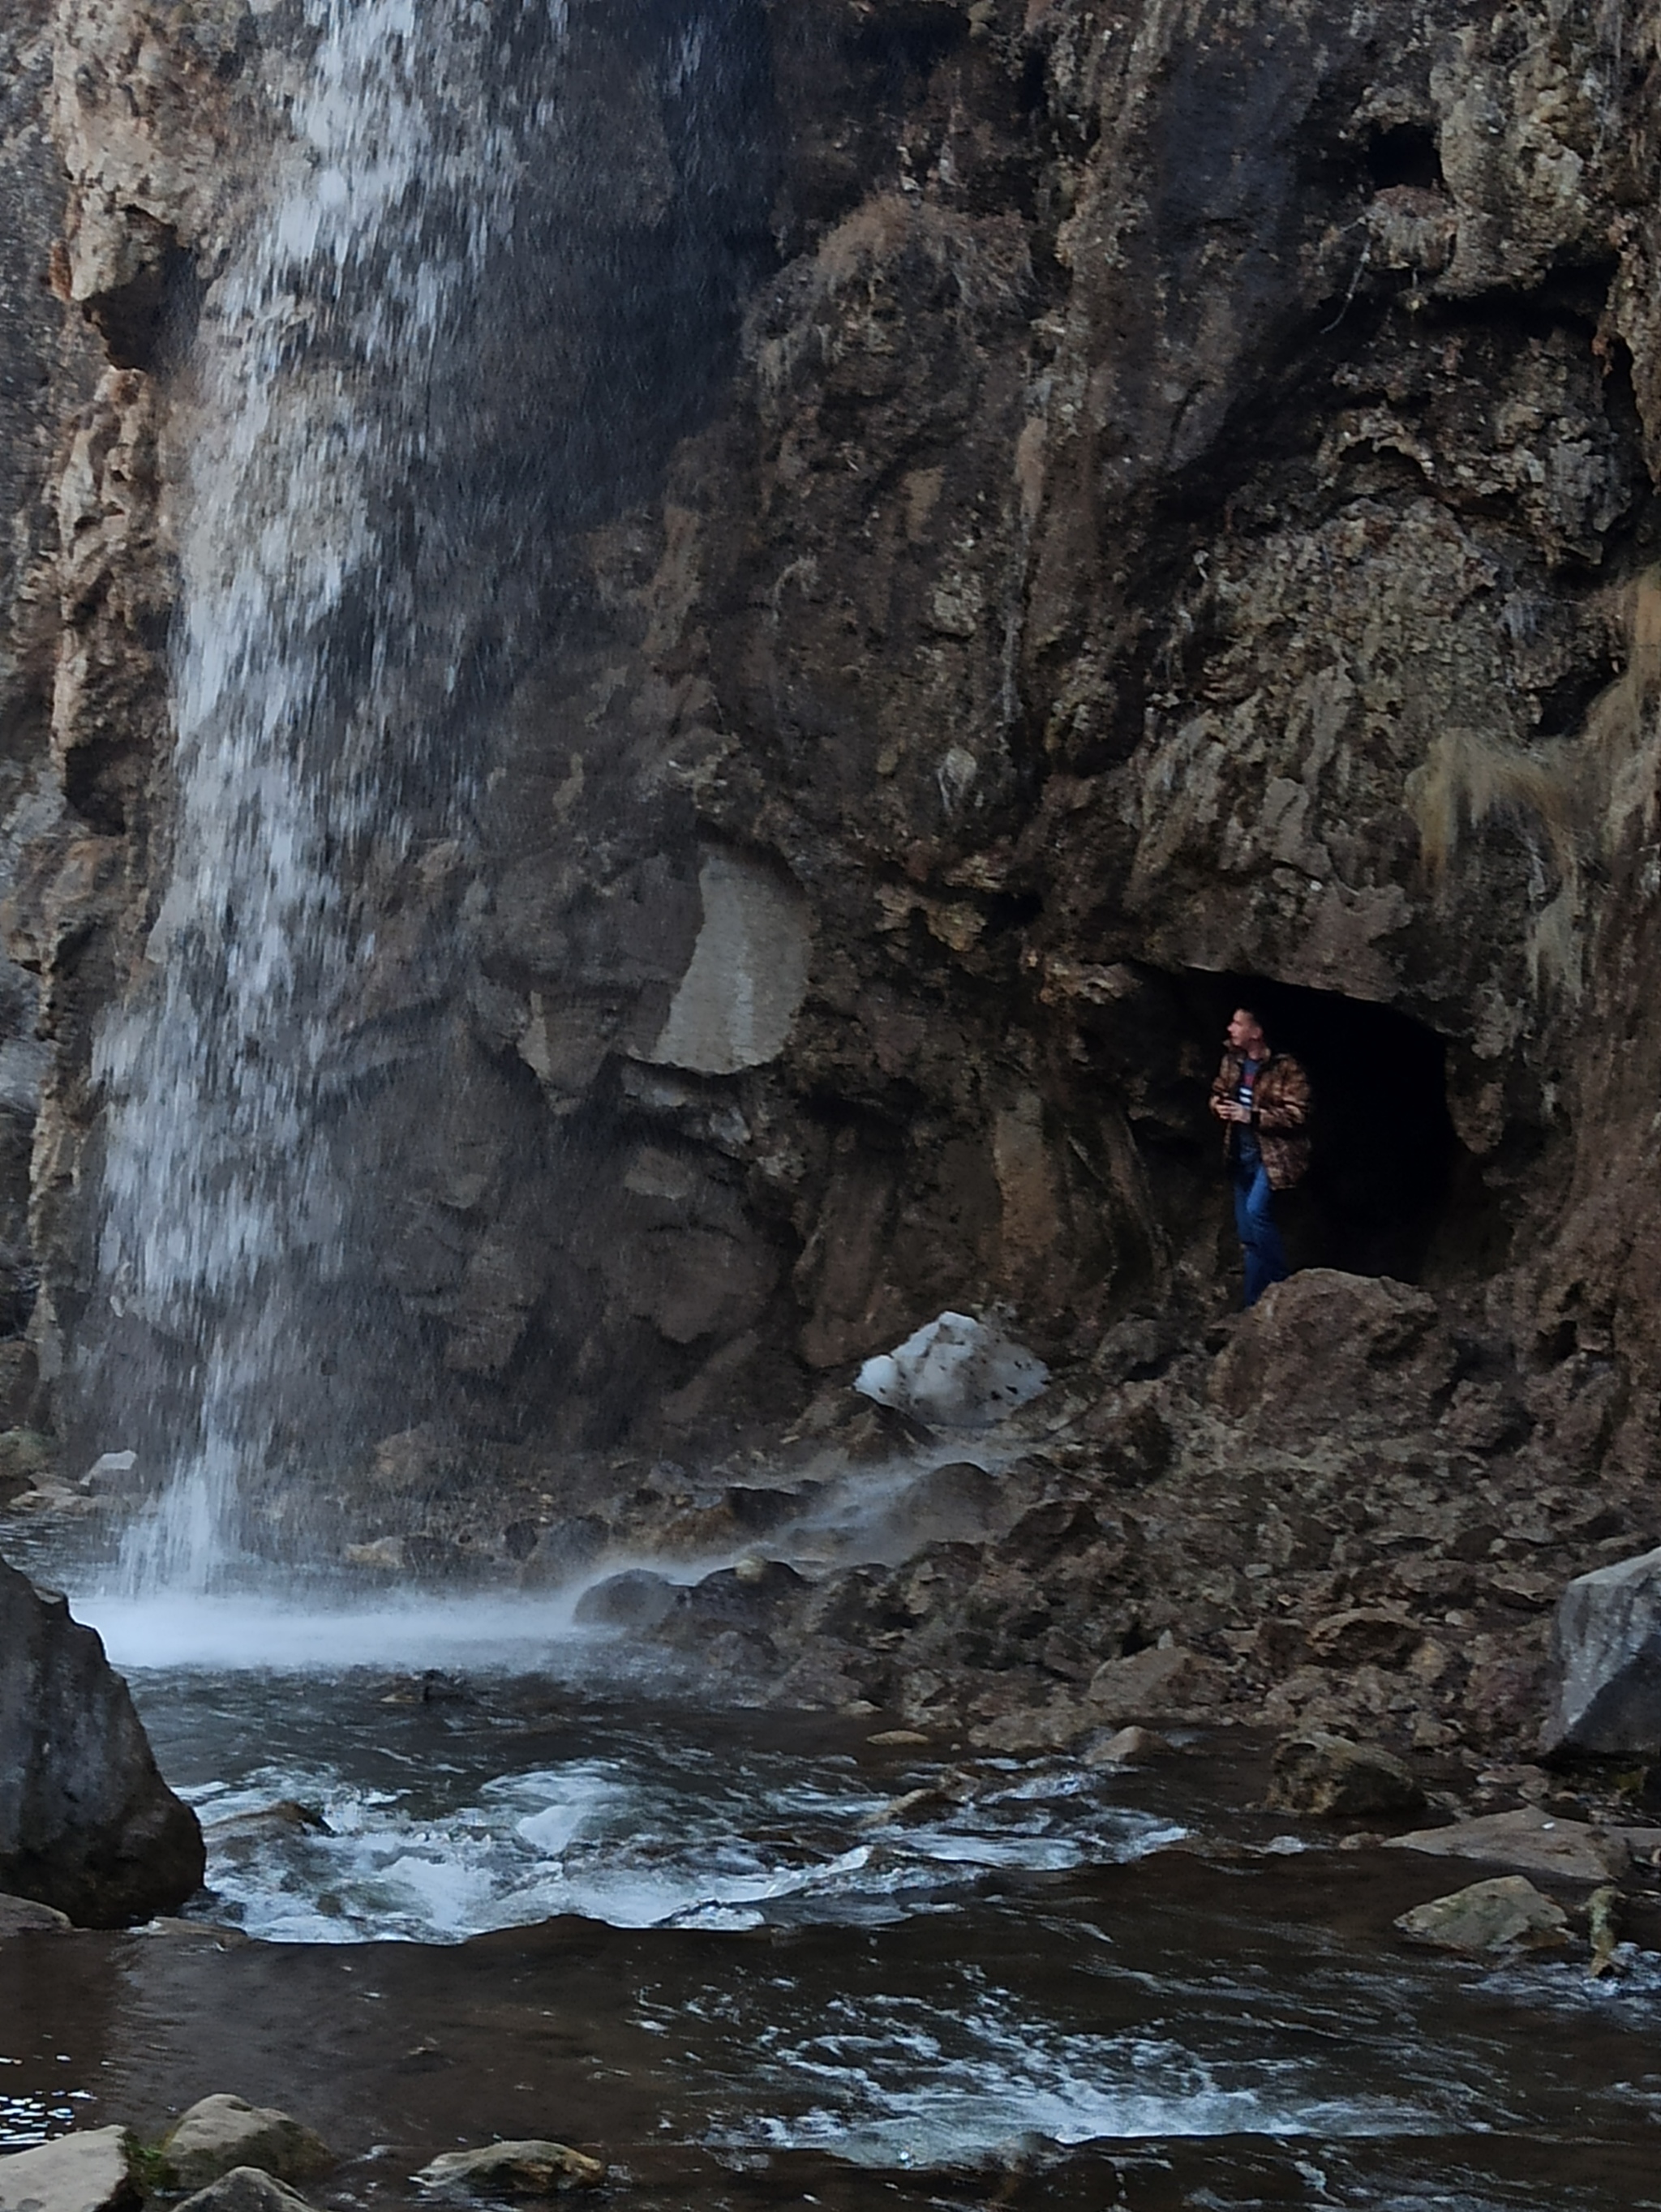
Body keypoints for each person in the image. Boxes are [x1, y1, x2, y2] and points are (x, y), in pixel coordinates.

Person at [1208, 1005, 1311, 1306]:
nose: (1230, 1029)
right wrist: (1219, 1106)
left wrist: (1250, 1116)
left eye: (1237, 1024)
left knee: (1257, 1212)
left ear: (1256, 1032)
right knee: (1248, 1236)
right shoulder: (1232, 1060)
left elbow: (1298, 1114)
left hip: (1275, 1158)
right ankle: (1254, 1303)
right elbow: (1216, 1091)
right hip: (1241, 1154)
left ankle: (1282, 1282)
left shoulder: (1286, 1068)